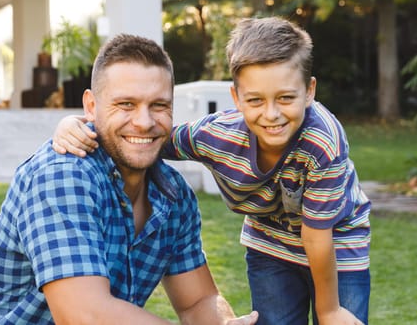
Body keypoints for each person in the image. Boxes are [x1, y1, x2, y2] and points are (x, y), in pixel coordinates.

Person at [52, 16, 371, 325]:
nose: (272, 114)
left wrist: (329, 311)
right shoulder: (216, 136)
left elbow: (317, 235)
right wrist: (78, 124)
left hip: (337, 240)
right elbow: (145, 137)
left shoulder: (322, 140)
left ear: (310, 91)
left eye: (286, 98)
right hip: (269, 241)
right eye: (255, 100)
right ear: (236, 98)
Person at [0, 34, 259, 325]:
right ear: (91, 106)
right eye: (126, 104)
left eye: (158, 105)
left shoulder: (173, 196)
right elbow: (84, 315)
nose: (144, 122)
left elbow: (198, 301)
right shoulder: (62, 176)